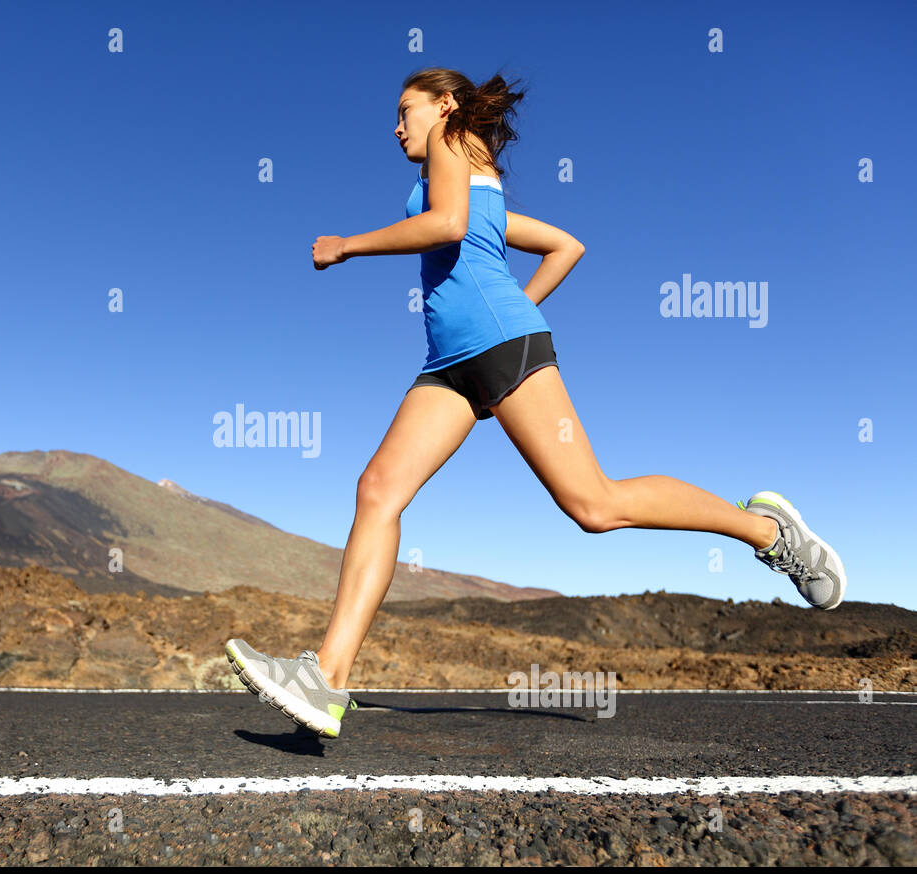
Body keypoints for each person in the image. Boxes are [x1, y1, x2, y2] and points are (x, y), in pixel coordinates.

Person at [225, 67, 846, 739]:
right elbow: (562, 244)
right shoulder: (469, 172)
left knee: (595, 506)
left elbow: (448, 224)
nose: (397, 126)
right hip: (450, 365)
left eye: (407, 110)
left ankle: (770, 533)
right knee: (378, 489)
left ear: (446, 105)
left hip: (497, 347)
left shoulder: (454, 142)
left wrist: (348, 246)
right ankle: (327, 679)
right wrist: (518, 303)